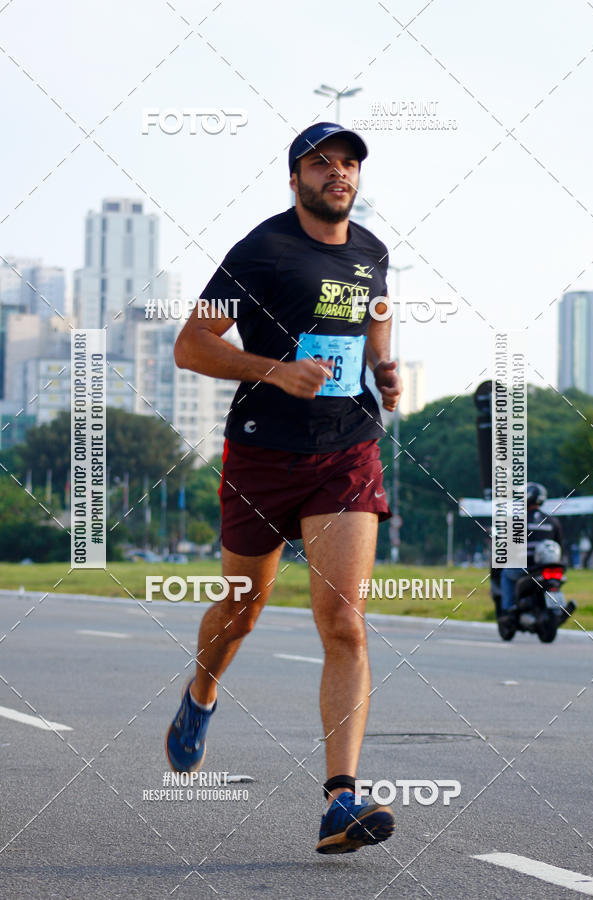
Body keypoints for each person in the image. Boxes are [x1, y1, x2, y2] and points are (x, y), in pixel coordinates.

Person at [166, 122, 403, 854]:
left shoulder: (371, 252)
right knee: (243, 609)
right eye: (323, 163)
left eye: (349, 164)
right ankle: (202, 691)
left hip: (346, 452)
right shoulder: (261, 250)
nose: (340, 173)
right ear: (296, 177)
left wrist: (384, 369)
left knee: (345, 621)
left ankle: (341, 802)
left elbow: (374, 321)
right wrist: (273, 370)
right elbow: (190, 344)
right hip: (263, 455)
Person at [499, 482, 563, 622]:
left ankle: (508, 609)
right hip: (549, 567)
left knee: (506, 574)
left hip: (527, 567)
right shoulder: (553, 521)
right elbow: (559, 544)